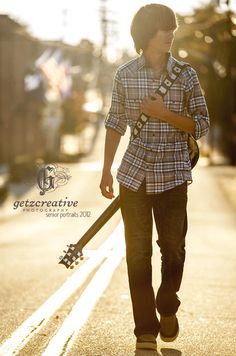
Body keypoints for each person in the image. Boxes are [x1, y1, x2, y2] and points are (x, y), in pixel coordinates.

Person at [99, 3, 209, 351]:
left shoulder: (186, 74)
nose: (171, 33)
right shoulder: (125, 75)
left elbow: (202, 124)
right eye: (165, 27)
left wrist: (164, 113)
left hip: (174, 174)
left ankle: (166, 305)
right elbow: (115, 122)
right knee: (137, 254)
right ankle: (145, 328)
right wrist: (105, 169)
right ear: (147, 34)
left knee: (173, 249)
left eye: (173, 27)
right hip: (133, 176)